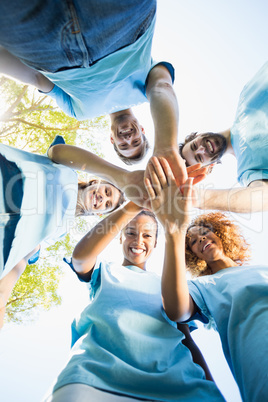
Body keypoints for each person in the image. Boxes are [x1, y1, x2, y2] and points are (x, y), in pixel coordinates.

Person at [44, 201, 225, 401]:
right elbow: (80, 258)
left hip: (177, 386)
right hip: (95, 377)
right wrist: (133, 203)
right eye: (130, 232)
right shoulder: (104, 271)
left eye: (147, 235)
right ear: (120, 236)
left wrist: (211, 387)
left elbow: (187, 340)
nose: (138, 240)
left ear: (156, 242)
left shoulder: (170, 286)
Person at [0, 0, 187, 177]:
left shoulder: (78, 112)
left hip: (49, 48)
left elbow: (37, 78)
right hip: (123, 28)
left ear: (112, 140)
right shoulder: (147, 93)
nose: (128, 138)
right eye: (136, 141)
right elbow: (162, 86)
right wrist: (166, 148)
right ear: (142, 129)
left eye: (124, 145)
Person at [145, 157, 268, 402]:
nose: (201, 239)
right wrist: (174, 232)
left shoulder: (262, 269)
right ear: (191, 253)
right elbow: (176, 310)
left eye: (204, 232)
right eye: (192, 241)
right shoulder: (203, 286)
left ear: (219, 234)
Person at [178, 60, 268, 213]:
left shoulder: (245, 96)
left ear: (197, 135)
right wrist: (195, 198)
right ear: (208, 168)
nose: (201, 149)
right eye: (199, 158)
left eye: (194, 145)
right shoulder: (247, 171)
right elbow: (261, 197)